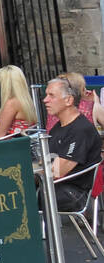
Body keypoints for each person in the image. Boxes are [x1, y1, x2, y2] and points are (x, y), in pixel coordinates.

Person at [43, 78, 103, 212]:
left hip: (74, 193)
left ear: (69, 100)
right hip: (58, 187)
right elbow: (47, 160)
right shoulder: (58, 128)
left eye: (51, 95)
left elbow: (57, 171)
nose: (45, 100)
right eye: (46, 95)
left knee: (22, 196)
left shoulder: (80, 129)